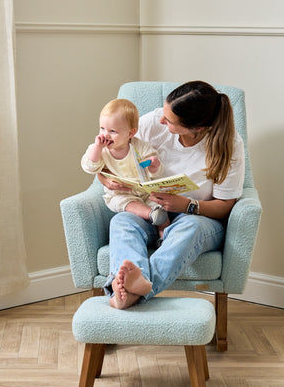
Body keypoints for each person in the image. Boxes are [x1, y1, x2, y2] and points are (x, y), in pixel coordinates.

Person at [99, 81, 245, 309]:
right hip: (151, 210)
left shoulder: (229, 144)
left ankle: (130, 292)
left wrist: (187, 205)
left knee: (190, 228)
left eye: (169, 121)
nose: (161, 120)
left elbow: (225, 204)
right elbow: (108, 150)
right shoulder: (151, 124)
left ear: (197, 128)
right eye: (164, 112)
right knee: (122, 221)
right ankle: (133, 286)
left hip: (199, 220)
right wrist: (106, 178)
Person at [82, 98, 169, 231]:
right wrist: (98, 148)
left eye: (113, 131)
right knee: (124, 202)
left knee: (159, 205)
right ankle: (150, 214)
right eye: (102, 128)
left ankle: (164, 235)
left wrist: (154, 165)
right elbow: (90, 167)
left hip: (145, 192)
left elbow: (157, 172)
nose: (106, 134)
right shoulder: (99, 150)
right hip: (121, 193)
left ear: (131, 133)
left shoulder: (141, 147)